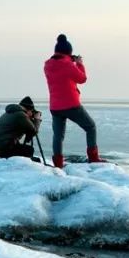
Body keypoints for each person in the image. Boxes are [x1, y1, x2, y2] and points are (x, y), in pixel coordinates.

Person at [44, 34, 101, 167]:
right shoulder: (68, 65)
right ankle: (93, 158)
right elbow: (82, 79)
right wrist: (79, 64)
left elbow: (60, 67)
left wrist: (70, 60)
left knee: (58, 136)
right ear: (68, 52)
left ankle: (58, 163)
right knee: (90, 127)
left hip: (55, 106)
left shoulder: (48, 65)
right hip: (71, 105)